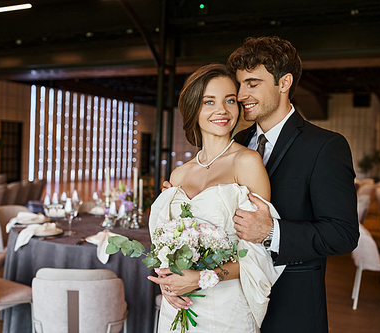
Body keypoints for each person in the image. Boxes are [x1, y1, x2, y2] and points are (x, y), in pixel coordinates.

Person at [227, 36, 359, 333]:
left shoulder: (325, 146)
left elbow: (343, 234)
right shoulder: (237, 143)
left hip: (292, 304)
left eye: (252, 83)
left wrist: (272, 231)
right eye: (239, 84)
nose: (240, 94)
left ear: (284, 82)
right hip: (234, 301)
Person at [147, 63, 285, 332]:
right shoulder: (178, 175)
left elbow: (260, 252)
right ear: (193, 109)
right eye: (209, 101)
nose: (222, 110)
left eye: (229, 100)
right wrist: (168, 282)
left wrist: (201, 277)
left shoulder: (247, 162)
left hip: (226, 308)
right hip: (178, 305)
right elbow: (164, 245)